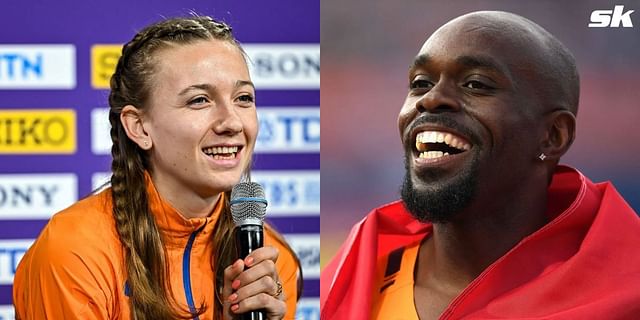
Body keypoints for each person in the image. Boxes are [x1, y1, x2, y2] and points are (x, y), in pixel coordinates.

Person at [321, 11, 640, 320]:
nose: (430, 99)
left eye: (476, 84)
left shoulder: (626, 295)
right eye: (421, 82)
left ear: (552, 136)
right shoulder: (342, 285)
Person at [14, 16, 301, 320]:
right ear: (139, 127)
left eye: (243, 98)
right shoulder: (74, 252)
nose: (231, 122)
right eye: (200, 100)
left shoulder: (268, 263)